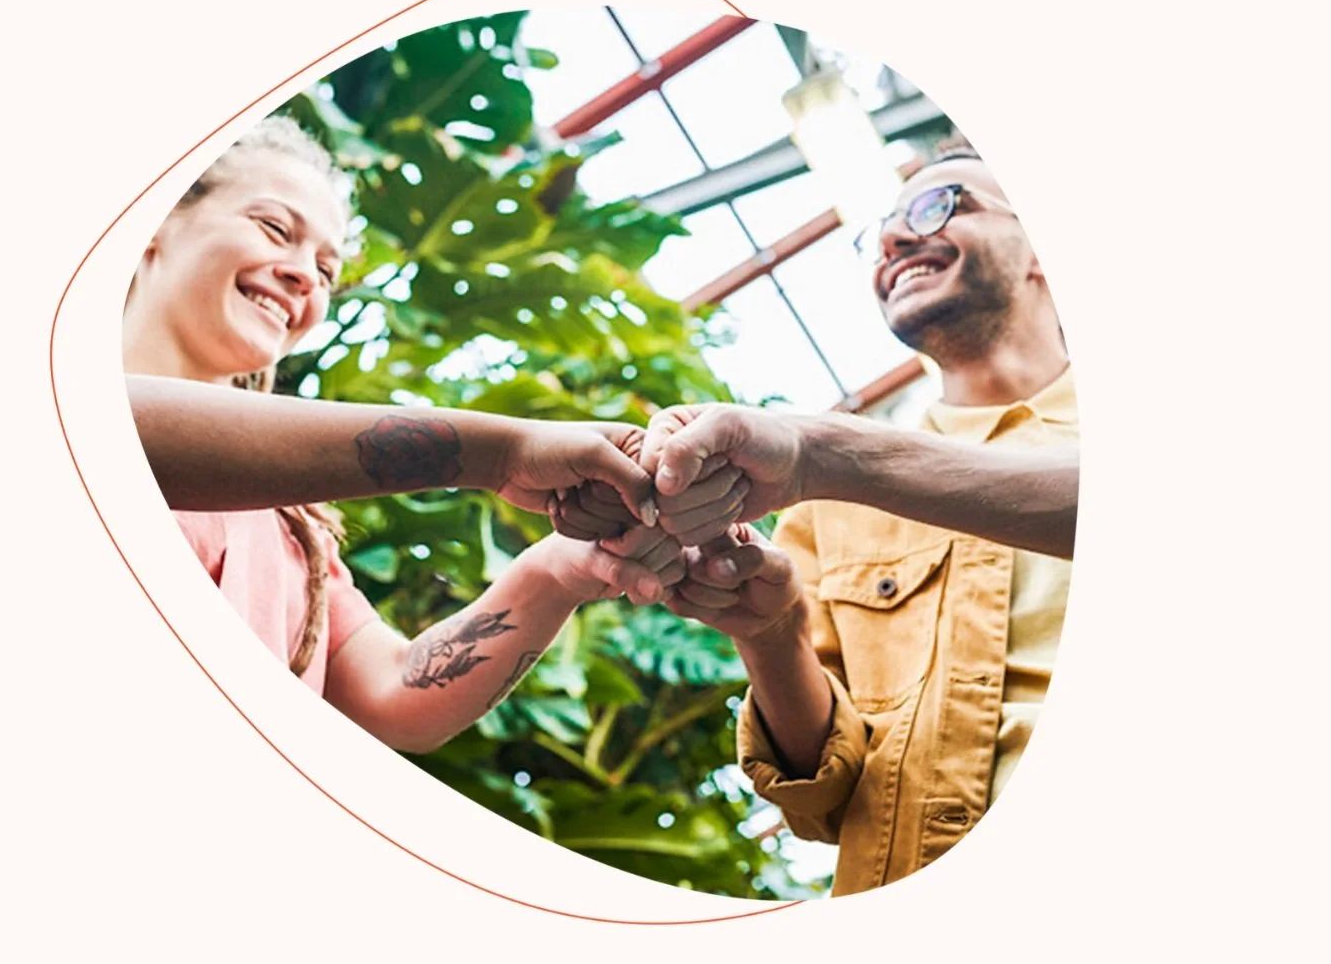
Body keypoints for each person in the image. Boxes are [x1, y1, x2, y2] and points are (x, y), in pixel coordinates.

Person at [589, 146, 1078, 894]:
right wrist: (770, 633)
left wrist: (823, 452)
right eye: (882, 232)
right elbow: (822, 804)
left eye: (938, 206)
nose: (895, 240)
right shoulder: (826, 515)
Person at [122, 116, 692, 754]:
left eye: (327, 270)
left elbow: (394, 696)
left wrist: (563, 569)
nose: (306, 275)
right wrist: (503, 453)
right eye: (275, 229)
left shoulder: (295, 530)